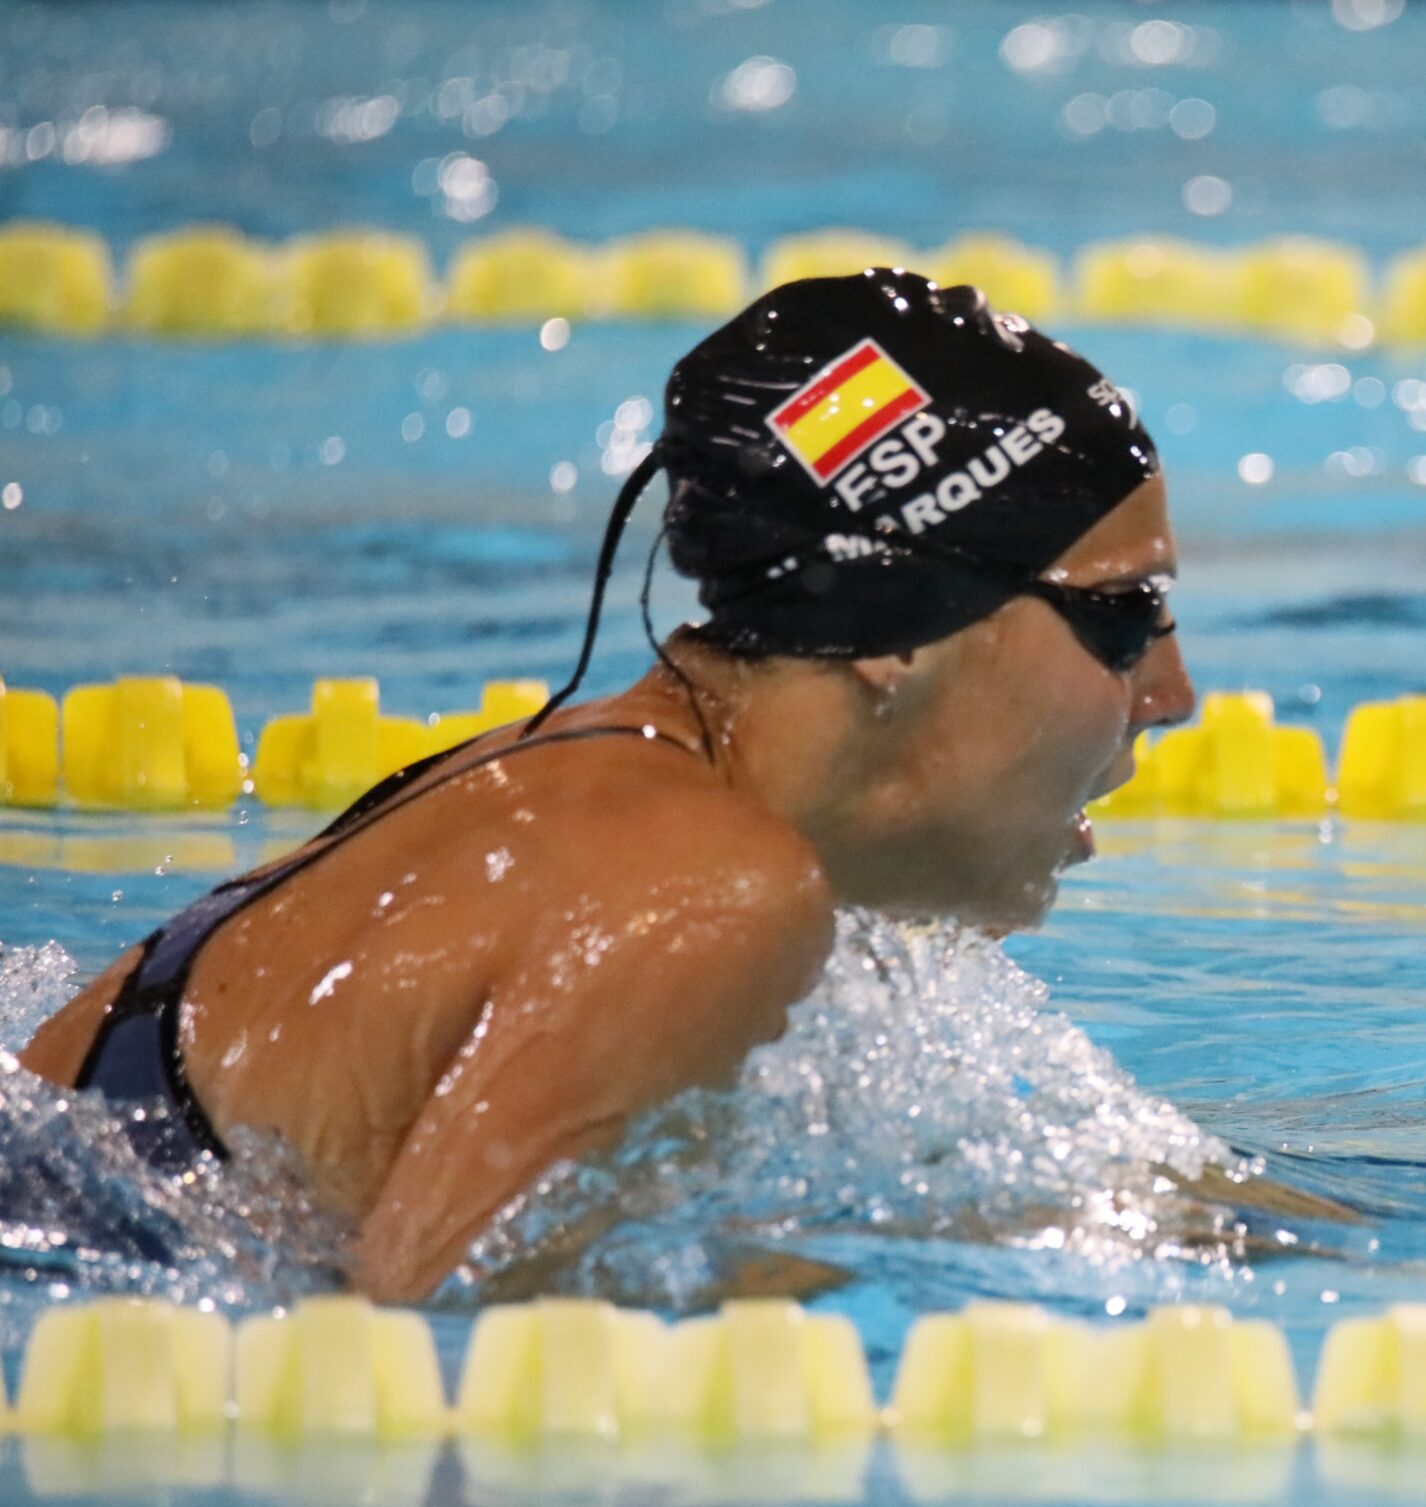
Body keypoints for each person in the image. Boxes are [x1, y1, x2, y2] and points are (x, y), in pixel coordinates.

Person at [17, 270, 1198, 1301]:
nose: (1173, 690)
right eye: (1124, 615)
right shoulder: (707, 890)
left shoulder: (582, 791)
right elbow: (417, 1358)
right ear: (898, 626)